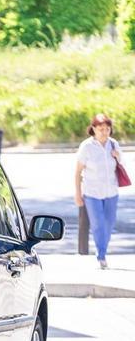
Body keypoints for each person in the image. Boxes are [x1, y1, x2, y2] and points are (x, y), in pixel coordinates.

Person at [74, 113, 123, 269]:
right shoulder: (87, 146)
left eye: (107, 129)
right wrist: (78, 193)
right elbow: (77, 172)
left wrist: (117, 156)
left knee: (108, 224)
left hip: (111, 192)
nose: (104, 132)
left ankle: (102, 250)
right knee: (97, 225)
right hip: (92, 193)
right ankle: (101, 255)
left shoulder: (113, 144)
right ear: (93, 129)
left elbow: (120, 163)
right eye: (101, 129)